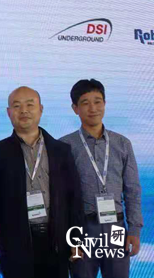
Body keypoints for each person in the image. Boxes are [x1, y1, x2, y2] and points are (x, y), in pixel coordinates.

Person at [0, 86, 83, 278]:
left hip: (57, 242)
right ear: (8, 112)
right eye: (17, 106)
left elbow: (74, 199)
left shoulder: (61, 151)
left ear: (41, 109)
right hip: (14, 243)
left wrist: (76, 240)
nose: (24, 111)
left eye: (30, 105)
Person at [60, 79, 143, 278]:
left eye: (97, 101)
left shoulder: (122, 144)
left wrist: (134, 230)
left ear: (104, 104)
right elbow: (61, 198)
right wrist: (69, 239)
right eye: (85, 103)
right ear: (75, 108)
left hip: (116, 226)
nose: (93, 108)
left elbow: (132, 189)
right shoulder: (64, 146)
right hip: (82, 228)